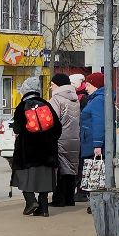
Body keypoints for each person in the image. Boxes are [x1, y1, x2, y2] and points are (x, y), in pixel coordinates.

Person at [9, 77, 61, 215]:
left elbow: (17, 129)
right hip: (47, 152)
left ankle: (31, 201)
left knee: (23, 176)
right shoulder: (47, 105)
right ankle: (44, 209)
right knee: (44, 179)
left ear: (25, 91)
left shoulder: (22, 106)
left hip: (27, 152)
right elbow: (58, 128)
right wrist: (49, 140)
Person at [49, 73, 81, 208]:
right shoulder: (75, 98)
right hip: (74, 138)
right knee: (71, 168)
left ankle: (59, 199)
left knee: (61, 168)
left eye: (52, 85)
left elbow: (52, 119)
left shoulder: (56, 99)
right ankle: (70, 198)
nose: (51, 88)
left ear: (58, 85)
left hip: (60, 137)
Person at [79, 72, 107, 201]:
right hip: (91, 141)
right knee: (97, 172)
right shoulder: (98, 99)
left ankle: (97, 201)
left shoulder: (98, 100)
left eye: (88, 84)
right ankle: (96, 200)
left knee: (95, 173)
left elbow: (99, 122)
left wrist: (97, 144)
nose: (86, 87)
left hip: (92, 143)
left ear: (95, 85)